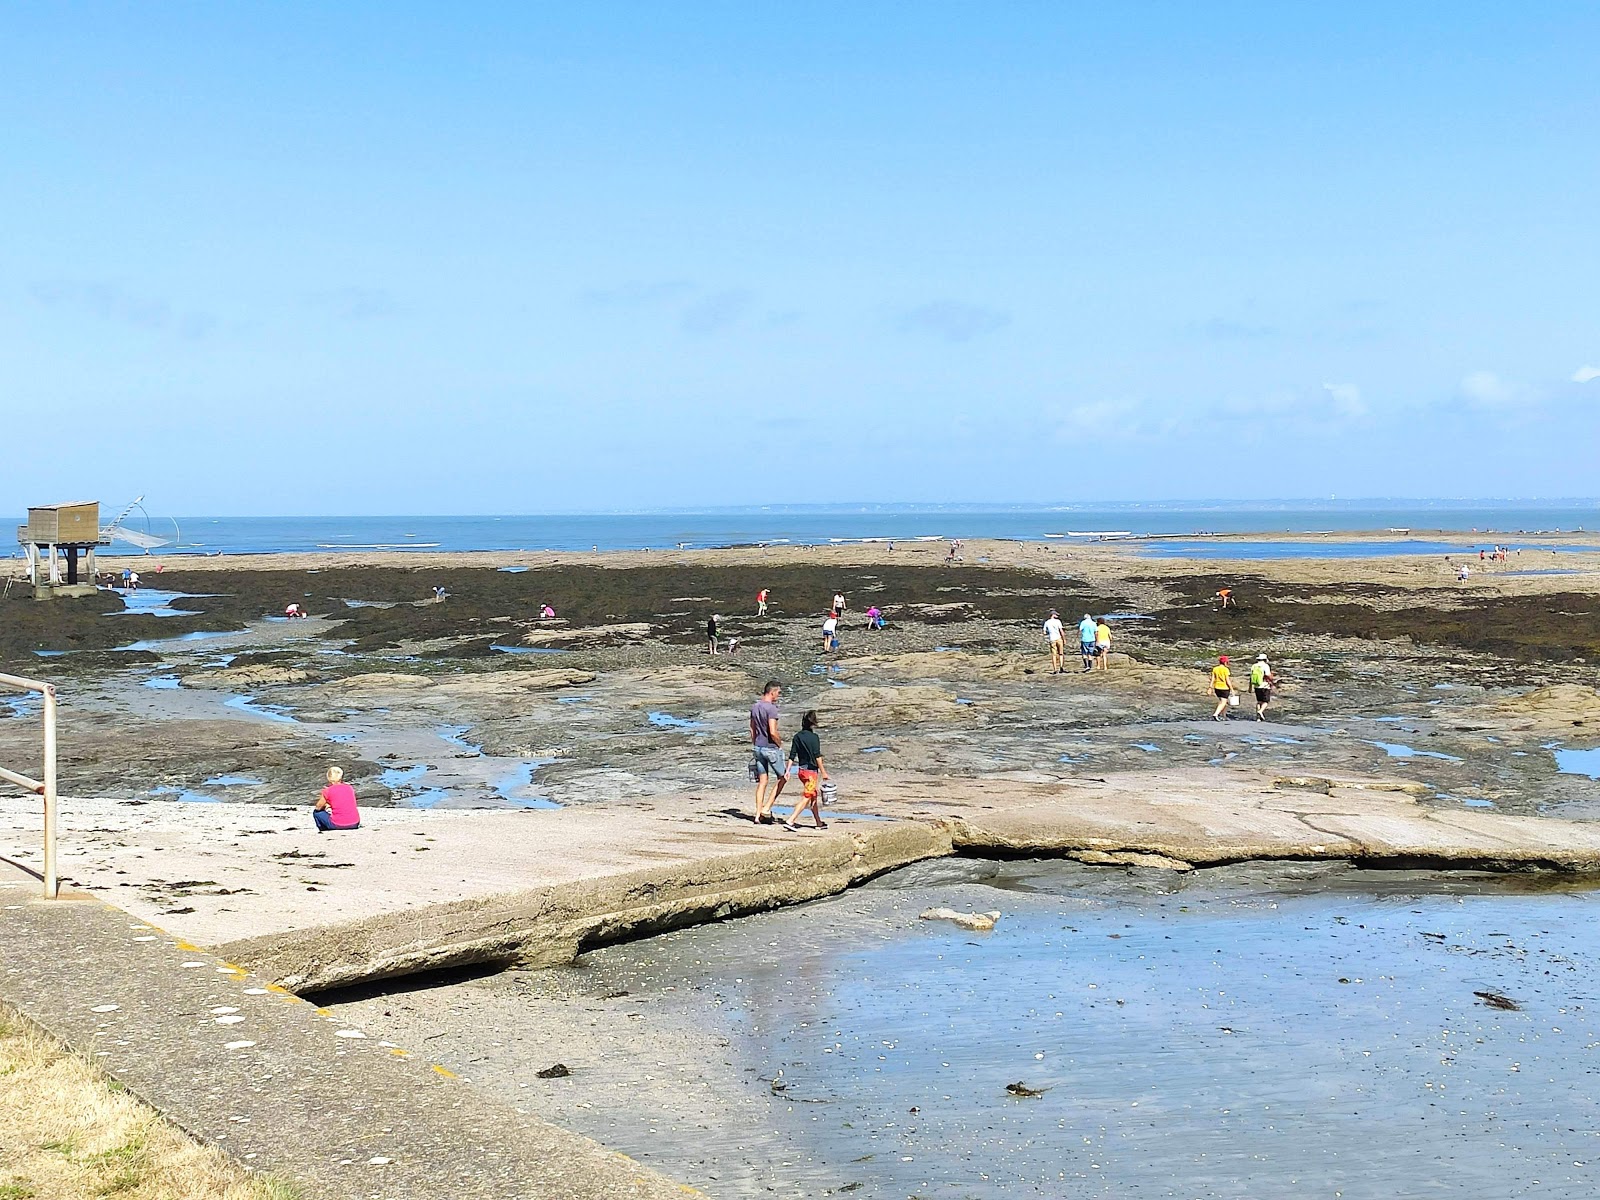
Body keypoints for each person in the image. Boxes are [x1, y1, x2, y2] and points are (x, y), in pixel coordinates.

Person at [784, 710, 829, 831]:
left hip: (801, 771)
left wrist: (787, 771)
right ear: (813, 723)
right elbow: (817, 756)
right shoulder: (814, 737)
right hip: (811, 773)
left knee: (813, 795)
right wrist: (823, 772)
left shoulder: (797, 736)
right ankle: (791, 820)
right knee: (807, 796)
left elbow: (792, 755)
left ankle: (819, 822)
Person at [749, 681, 787, 823]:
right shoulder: (771, 709)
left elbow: (752, 729)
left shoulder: (755, 707)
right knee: (783, 777)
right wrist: (779, 744)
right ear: (772, 692)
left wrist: (755, 744)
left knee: (762, 781)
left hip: (758, 747)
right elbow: (773, 731)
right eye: (778, 693)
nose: (778, 695)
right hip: (770, 748)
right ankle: (767, 807)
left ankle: (758, 815)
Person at [313, 766, 361, 832]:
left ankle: (324, 830)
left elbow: (318, 807)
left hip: (338, 824)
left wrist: (326, 805)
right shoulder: (349, 788)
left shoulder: (327, 791)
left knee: (317, 813)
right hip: (355, 823)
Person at [1249, 653, 1276, 721]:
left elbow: (1251, 677)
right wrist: (1272, 681)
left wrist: (1250, 687)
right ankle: (1260, 711)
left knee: (1259, 701)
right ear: (1265, 659)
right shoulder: (1265, 666)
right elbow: (1268, 675)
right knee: (1266, 701)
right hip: (1264, 685)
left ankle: (1258, 718)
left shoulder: (1254, 666)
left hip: (1256, 686)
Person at [1210, 655, 1235, 721]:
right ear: (1225, 662)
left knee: (1222, 701)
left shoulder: (1215, 669)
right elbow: (1227, 680)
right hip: (1224, 688)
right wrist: (1232, 689)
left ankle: (1224, 716)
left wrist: (1210, 687)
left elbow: (1213, 679)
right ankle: (1216, 714)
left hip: (1217, 687)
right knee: (1223, 702)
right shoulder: (1225, 669)